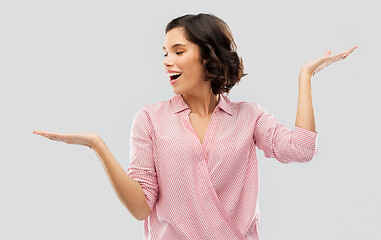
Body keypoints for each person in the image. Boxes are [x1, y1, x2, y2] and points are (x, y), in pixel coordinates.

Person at [33, 13, 358, 240]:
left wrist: (305, 77)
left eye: (178, 51)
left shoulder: (249, 116)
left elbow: (300, 150)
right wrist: (97, 145)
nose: (166, 61)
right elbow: (140, 208)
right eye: (164, 53)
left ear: (208, 55)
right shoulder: (149, 119)